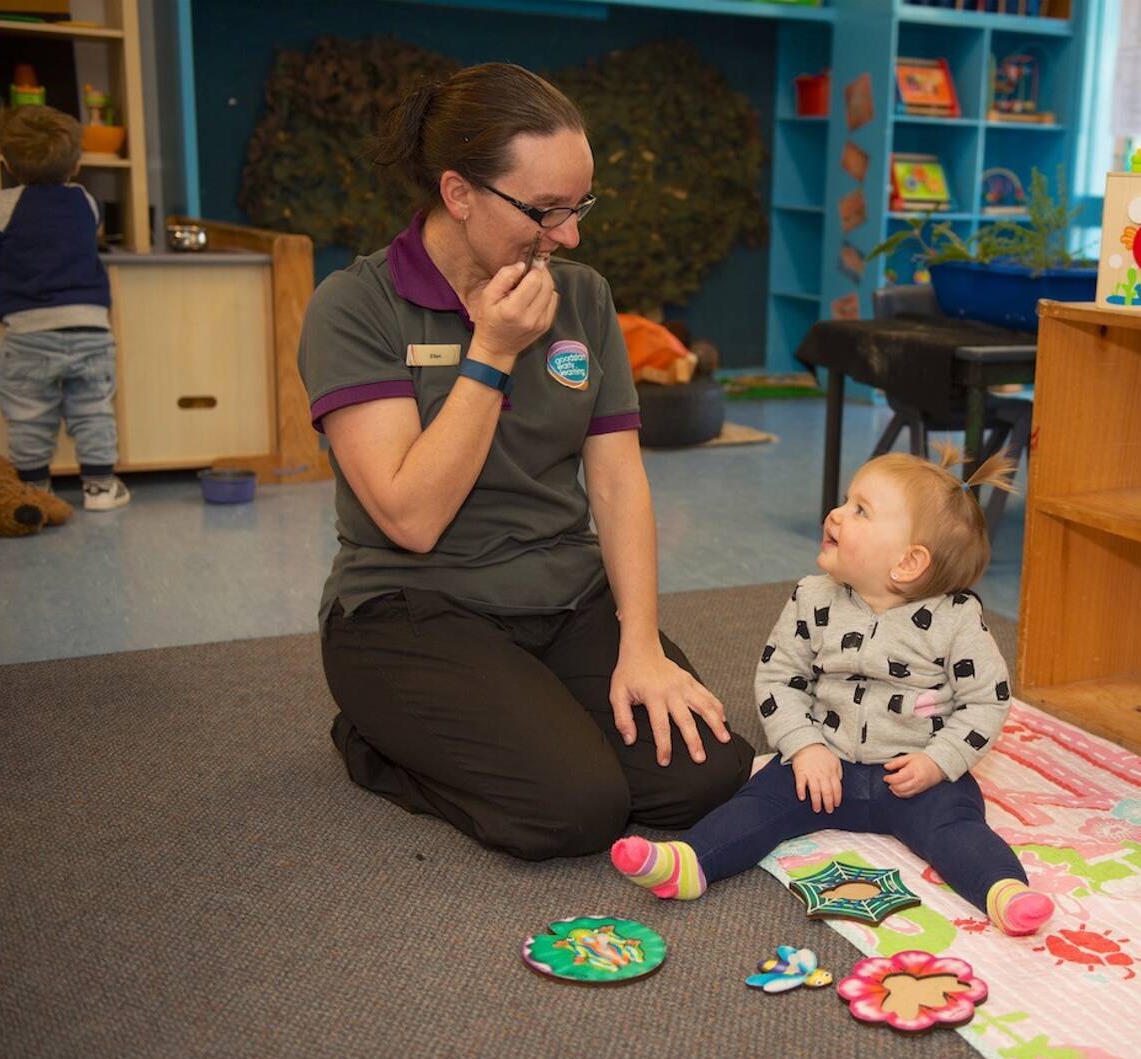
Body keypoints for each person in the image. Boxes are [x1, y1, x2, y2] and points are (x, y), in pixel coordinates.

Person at [298, 63, 752, 860]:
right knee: (573, 811)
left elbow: (616, 479)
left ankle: (530, 713)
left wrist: (639, 641)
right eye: (543, 211)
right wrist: (491, 355)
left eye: (578, 206)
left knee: (704, 780)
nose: (569, 235)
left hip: (563, 596)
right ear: (458, 192)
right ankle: (375, 736)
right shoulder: (355, 305)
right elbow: (409, 516)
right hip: (412, 606)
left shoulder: (583, 296)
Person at [612, 448, 1055, 936]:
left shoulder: (956, 621)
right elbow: (779, 679)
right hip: (823, 768)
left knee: (956, 827)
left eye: (860, 510)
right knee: (756, 805)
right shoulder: (812, 597)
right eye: (846, 501)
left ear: (909, 562)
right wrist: (804, 747)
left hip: (914, 776)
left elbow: (985, 701)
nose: (836, 513)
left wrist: (938, 762)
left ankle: (1004, 890)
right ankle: (691, 862)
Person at [0, 105, 129, 510]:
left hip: (30, 334)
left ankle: (33, 489)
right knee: (94, 409)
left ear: (6, 163)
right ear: (76, 165)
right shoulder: (86, 202)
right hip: (91, 329)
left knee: (28, 415)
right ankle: (99, 486)